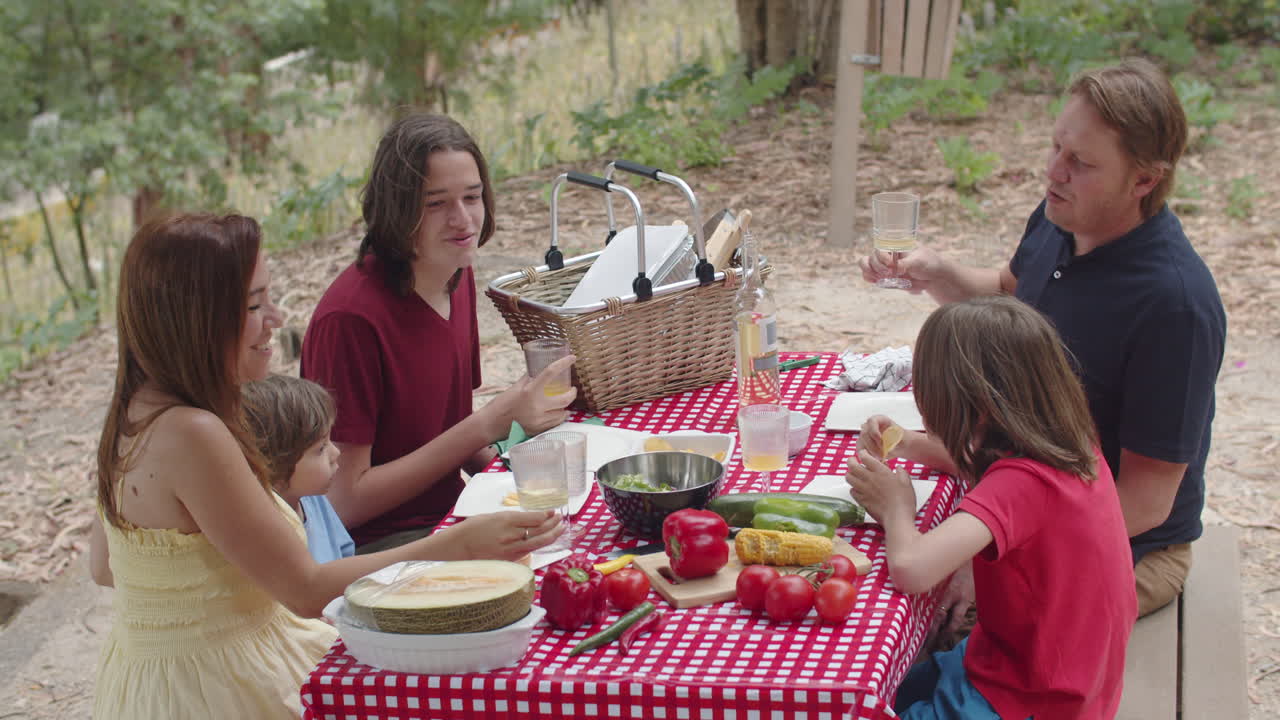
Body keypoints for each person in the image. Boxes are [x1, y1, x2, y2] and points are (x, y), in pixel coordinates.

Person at [89, 213, 562, 720]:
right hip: (220, 688)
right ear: (193, 319)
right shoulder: (194, 434)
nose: (275, 317)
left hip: (147, 680)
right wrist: (457, 545)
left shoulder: (134, 411)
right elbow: (306, 590)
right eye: (253, 304)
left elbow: (107, 569)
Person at [860, 58, 1226, 621]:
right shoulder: (1064, 216)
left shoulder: (1174, 305)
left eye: (1079, 162)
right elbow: (1010, 292)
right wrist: (938, 274)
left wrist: (1002, 556)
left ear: (1144, 180)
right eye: (1056, 146)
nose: (1053, 171)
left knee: (938, 620)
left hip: (1125, 548)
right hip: (1021, 487)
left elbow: (1145, 504)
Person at [849, 296, 1136, 720]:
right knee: (891, 688)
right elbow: (975, 463)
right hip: (1051, 668)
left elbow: (912, 569)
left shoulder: (1019, 486)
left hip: (1032, 697)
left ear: (976, 404)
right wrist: (908, 443)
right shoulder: (1066, 446)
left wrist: (897, 509)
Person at [302, 113, 575, 553]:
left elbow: (445, 425)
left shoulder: (455, 273)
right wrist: (487, 424)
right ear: (396, 209)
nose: (462, 219)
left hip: (455, 513)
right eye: (436, 204)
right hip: (382, 548)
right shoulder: (350, 320)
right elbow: (343, 501)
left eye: (472, 196)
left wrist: (510, 472)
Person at [242, 374, 353, 563]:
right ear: (273, 462)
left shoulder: (314, 499)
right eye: (320, 449)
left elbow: (345, 555)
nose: (336, 453)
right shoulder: (267, 525)